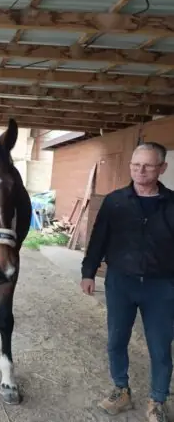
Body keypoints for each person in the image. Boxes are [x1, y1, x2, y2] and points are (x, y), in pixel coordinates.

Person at [81, 142, 174, 422]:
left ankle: (158, 400)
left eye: (148, 165)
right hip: (121, 282)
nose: (140, 171)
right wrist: (88, 271)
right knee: (116, 340)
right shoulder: (115, 201)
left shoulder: (172, 203)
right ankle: (121, 390)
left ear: (162, 168)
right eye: (135, 165)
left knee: (160, 346)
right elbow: (99, 237)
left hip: (161, 286)